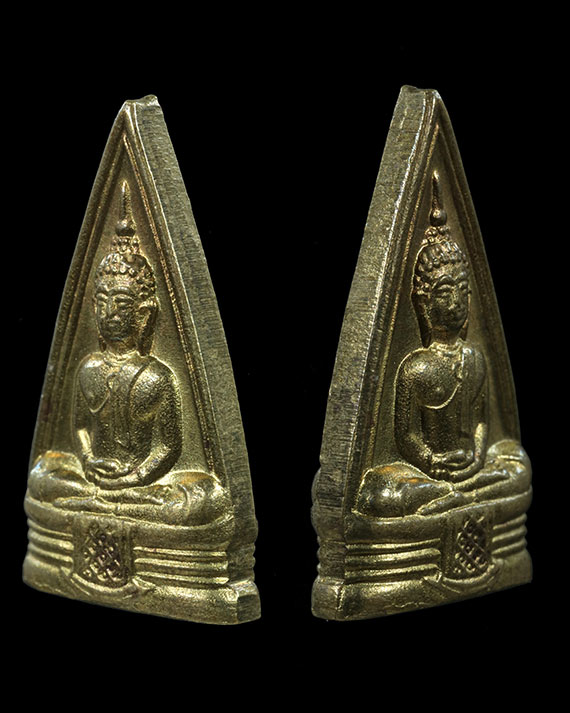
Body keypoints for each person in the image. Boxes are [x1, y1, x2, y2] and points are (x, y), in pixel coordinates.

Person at [27, 181, 229, 526]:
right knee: (43, 475)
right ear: (93, 308)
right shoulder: (88, 367)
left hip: (141, 488)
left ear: (145, 313)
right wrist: (88, 461)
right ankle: (112, 505)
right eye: (103, 302)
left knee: (207, 500)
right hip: (94, 481)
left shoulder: (156, 376)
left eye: (121, 303)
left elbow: (168, 448)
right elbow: (80, 428)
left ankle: (112, 506)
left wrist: (135, 477)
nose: (110, 313)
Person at [356, 173, 530, 518]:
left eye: (462, 292)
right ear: (423, 303)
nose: (455, 303)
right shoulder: (415, 368)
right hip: (429, 476)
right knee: (379, 495)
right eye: (444, 292)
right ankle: (454, 497)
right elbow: (406, 435)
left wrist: (477, 457)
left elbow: (481, 423)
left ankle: (453, 499)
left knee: (518, 466)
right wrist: (433, 462)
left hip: (472, 470)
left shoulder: (475, 359)